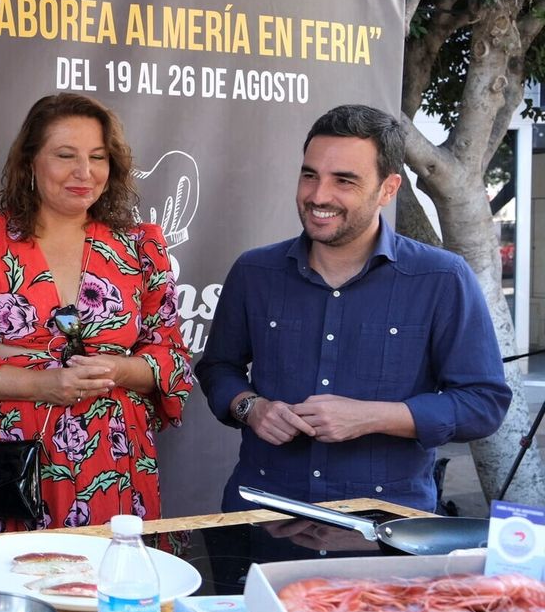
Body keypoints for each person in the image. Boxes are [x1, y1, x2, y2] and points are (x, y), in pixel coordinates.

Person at [197, 104, 510, 513]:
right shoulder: (255, 271)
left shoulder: (441, 278)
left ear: (388, 189)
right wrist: (250, 408)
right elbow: (217, 368)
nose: (318, 195)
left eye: (344, 180)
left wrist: (374, 417)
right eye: (310, 175)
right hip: (261, 513)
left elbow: (483, 403)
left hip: (387, 525)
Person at [0, 93, 192, 533]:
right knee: (5, 592)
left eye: (98, 157)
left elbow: (172, 362)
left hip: (113, 468)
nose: (85, 172)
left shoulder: (141, 247)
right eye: (66, 155)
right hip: (6, 468)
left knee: (105, 594)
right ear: (30, 162)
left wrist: (116, 369)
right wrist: (46, 382)